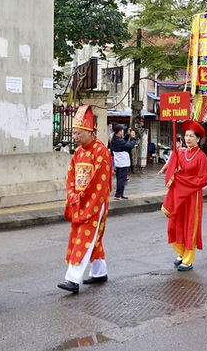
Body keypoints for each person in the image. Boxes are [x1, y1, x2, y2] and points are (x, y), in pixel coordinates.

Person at [58, 105, 113, 294]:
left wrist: (82, 197)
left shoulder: (101, 152)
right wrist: (73, 194)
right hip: (79, 200)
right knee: (90, 237)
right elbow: (70, 176)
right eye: (73, 133)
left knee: (84, 237)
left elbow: (100, 181)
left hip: (95, 202)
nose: (75, 137)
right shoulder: (78, 153)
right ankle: (100, 272)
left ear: (89, 131)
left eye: (78, 133)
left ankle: (73, 279)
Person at [161, 120, 207, 271]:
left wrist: (182, 181)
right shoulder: (180, 153)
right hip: (178, 195)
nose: (188, 139)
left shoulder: (201, 156)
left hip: (192, 196)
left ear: (198, 138)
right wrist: (166, 168)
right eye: (186, 136)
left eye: (191, 136)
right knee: (175, 224)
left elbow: (204, 179)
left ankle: (188, 259)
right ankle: (181, 252)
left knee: (190, 226)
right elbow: (172, 166)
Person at [109, 124, 137, 200]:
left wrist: (128, 136)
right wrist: (133, 138)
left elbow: (124, 142)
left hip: (119, 162)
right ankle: (118, 195)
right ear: (119, 132)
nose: (122, 132)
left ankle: (120, 194)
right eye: (122, 130)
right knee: (122, 179)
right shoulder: (118, 140)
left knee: (120, 178)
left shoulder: (115, 138)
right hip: (122, 162)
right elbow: (129, 146)